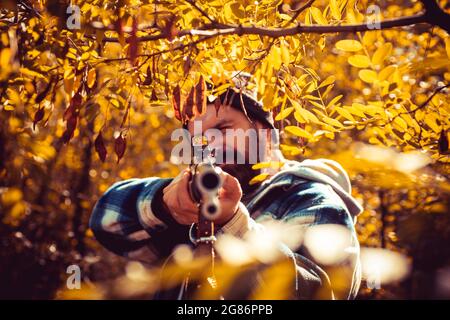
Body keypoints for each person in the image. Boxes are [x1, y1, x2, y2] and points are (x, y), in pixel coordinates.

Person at [89, 73, 363, 300]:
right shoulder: (192, 203)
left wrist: (235, 225)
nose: (211, 146)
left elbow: (320, 293)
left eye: (223, 129)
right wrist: (163, 205)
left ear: (266, 133)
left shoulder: (310, 198)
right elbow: (106, 222)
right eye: (199, 138)